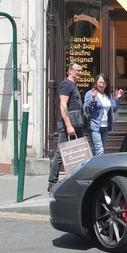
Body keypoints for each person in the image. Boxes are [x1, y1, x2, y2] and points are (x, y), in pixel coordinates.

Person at [48, 62, 84, 192]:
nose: (80, 73)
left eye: (81, 70)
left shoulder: (73, 85)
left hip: (77, 123)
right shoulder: (66, 85)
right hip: (68, 124)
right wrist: (69, 126)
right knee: (60, 153)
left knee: (79, 151)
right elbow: (63, 105)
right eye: (77, 70)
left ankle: (77, 180)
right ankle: (52, 183)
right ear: (70, 71)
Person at [83, 74, 124, 156]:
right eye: (100, 82)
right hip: (94, 126)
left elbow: (113, 109)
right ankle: (100, 168)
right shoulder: (90, 93)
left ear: (107, 84)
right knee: (100, 150)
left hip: (105, 127)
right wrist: (93, 99)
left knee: (99, 150)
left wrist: (117, 98)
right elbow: (86, 109)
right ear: (96, 82)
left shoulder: (108, 95)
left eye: (104, 83)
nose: (101, 85)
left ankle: (93, 167)